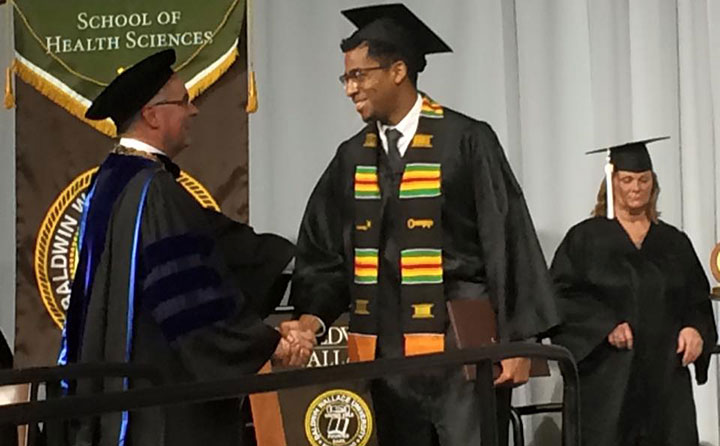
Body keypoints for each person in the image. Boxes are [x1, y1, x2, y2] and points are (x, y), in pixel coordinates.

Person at [282, 4, 559, 445]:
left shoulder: (467, 140)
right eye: (346, 78)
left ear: (397, 71)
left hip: (465, 353)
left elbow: (507, 238)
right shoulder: (351, 157)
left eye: (359, 75)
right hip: (389, 358)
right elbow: (325, 250)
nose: (350, 89)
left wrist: (519, 342)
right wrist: (311, 318)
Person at [57, 49, 310, 446]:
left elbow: (216, 244)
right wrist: (270, 342)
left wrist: (305, 266)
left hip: (122, 389)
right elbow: (192, 303)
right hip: (161, 405)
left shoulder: (111, 181)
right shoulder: (153, 191)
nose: (193, 111)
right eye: (184, 101)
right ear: (152, 115)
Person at [550, 137, 717, 446]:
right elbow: (561, 297)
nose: (636, 187)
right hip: (608, 383)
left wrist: (696, 329)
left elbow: (696, 299)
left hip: (665, 381)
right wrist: (604, 326)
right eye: (627, 179)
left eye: (644, 179)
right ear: (611, 184)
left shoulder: (673, 242)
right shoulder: (585, 239)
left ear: (653, 184)